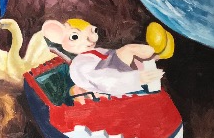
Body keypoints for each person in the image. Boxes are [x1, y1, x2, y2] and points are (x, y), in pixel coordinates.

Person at [41, 18, 173, 98]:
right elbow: (103, 80)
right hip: (112, 78)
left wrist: (137, 62)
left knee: (128, 51)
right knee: (128, 50)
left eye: (93, 31)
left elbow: (111, 55)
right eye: (75, 37)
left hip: (114, 69)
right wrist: (136, 79)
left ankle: (156, 53)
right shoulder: (79, 65)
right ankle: (155, 49)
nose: (90, 39)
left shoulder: (95, 52)